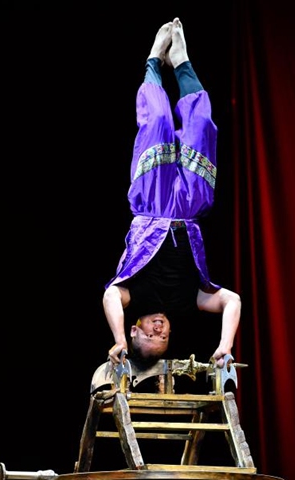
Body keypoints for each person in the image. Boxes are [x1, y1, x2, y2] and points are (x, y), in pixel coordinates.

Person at [103, 17, 241, 371]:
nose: (159, 331)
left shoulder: (133, 298)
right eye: (162, 339)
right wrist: (225, 345)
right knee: (202, 127)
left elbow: (109, 295)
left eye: (149, 336)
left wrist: (116, 339)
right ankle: (181, 61)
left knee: (158, 122)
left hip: (152, 203)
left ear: (135, 331)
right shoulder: (185, 302)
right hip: (190, 208)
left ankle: (153, 59)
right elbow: (232, 301)